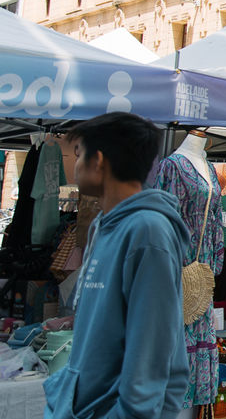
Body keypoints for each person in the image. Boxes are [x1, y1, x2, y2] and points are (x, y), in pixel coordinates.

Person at [45, 112, 189, 418]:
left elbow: (152, 352)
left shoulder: (148, 231)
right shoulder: (103, 226)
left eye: (79, 154)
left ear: (98, 161)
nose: (75, 163)